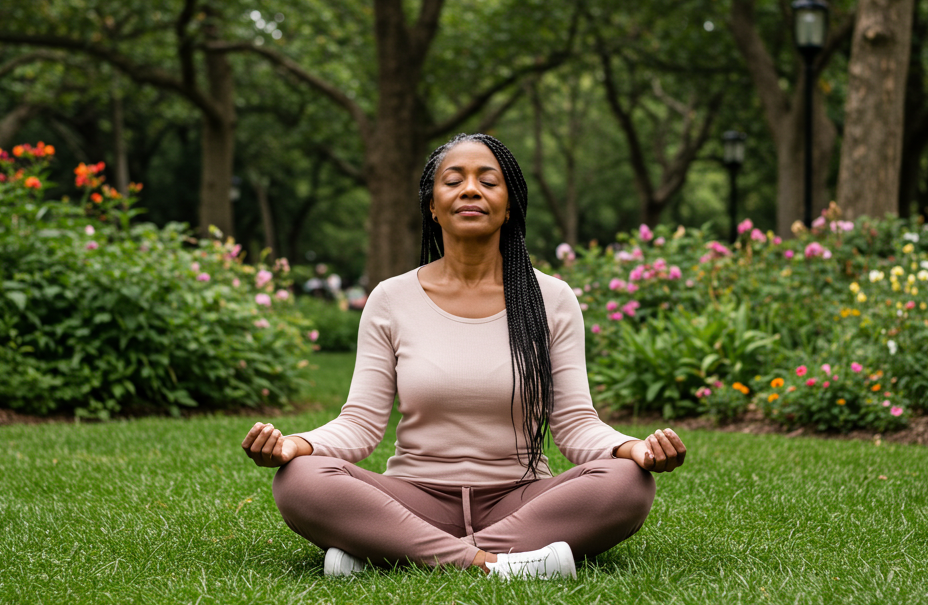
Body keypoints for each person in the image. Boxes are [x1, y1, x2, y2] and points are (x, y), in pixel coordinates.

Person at [242, 133, 687, 579]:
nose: (470, 190)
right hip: (413, 498)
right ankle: (500, 565)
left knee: (628, 482)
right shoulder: (391, 298)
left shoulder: (551, 298)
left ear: (509, 205)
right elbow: (361, 423)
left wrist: (632, 449)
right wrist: (294, 446)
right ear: (432, 205)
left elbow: (575, 425)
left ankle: (391, 551)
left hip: (521, 500)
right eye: (453, 180)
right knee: (299, 479)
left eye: (488, 181)